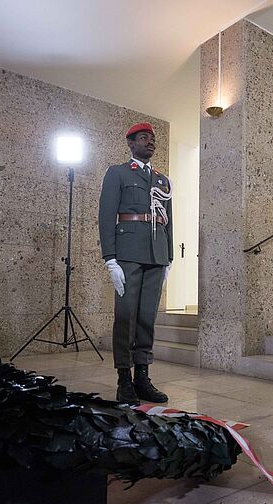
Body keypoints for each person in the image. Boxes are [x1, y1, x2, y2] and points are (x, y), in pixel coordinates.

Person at [98, 123, 173, 404]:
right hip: (128, 254)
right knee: (125, 317)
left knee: (146, 318)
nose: (150, 142)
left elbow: (167, 219)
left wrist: (169, 257)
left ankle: (142, 377)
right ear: (131, 143)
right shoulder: (117, 173)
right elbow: (106, 216)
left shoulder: (162, 180)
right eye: (144, 138)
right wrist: (110, 259)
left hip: (156, 255)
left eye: (152, 139)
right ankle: (124, 379)